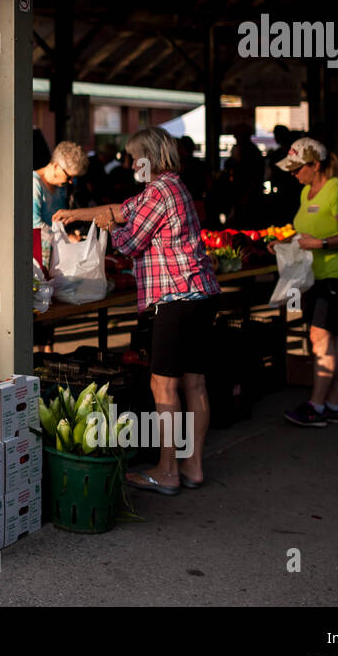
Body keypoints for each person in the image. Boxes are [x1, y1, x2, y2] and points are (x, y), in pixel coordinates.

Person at [55, 126, 221, 495]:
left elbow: (128, 241)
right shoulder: (170, 187)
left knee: (164, 385)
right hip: (201, 295)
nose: (129, 164)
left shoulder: (159, 192)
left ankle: (167, 471)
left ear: (148, 158)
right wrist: (75, 214)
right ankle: (192, 467)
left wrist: (109, 226)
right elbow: (121, 209)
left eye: (133, 157)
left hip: (176, 300)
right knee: (194, 383)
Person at [270, 137, 338, 428]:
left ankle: (315, 405)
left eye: (298, 168)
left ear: (315, 165)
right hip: (321, 276)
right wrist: (284, 241)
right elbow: (305, 231)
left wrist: (323, 243)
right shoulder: (307, 193)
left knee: (319, 337)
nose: (293, 174)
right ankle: (334, 404)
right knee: (331, 339)